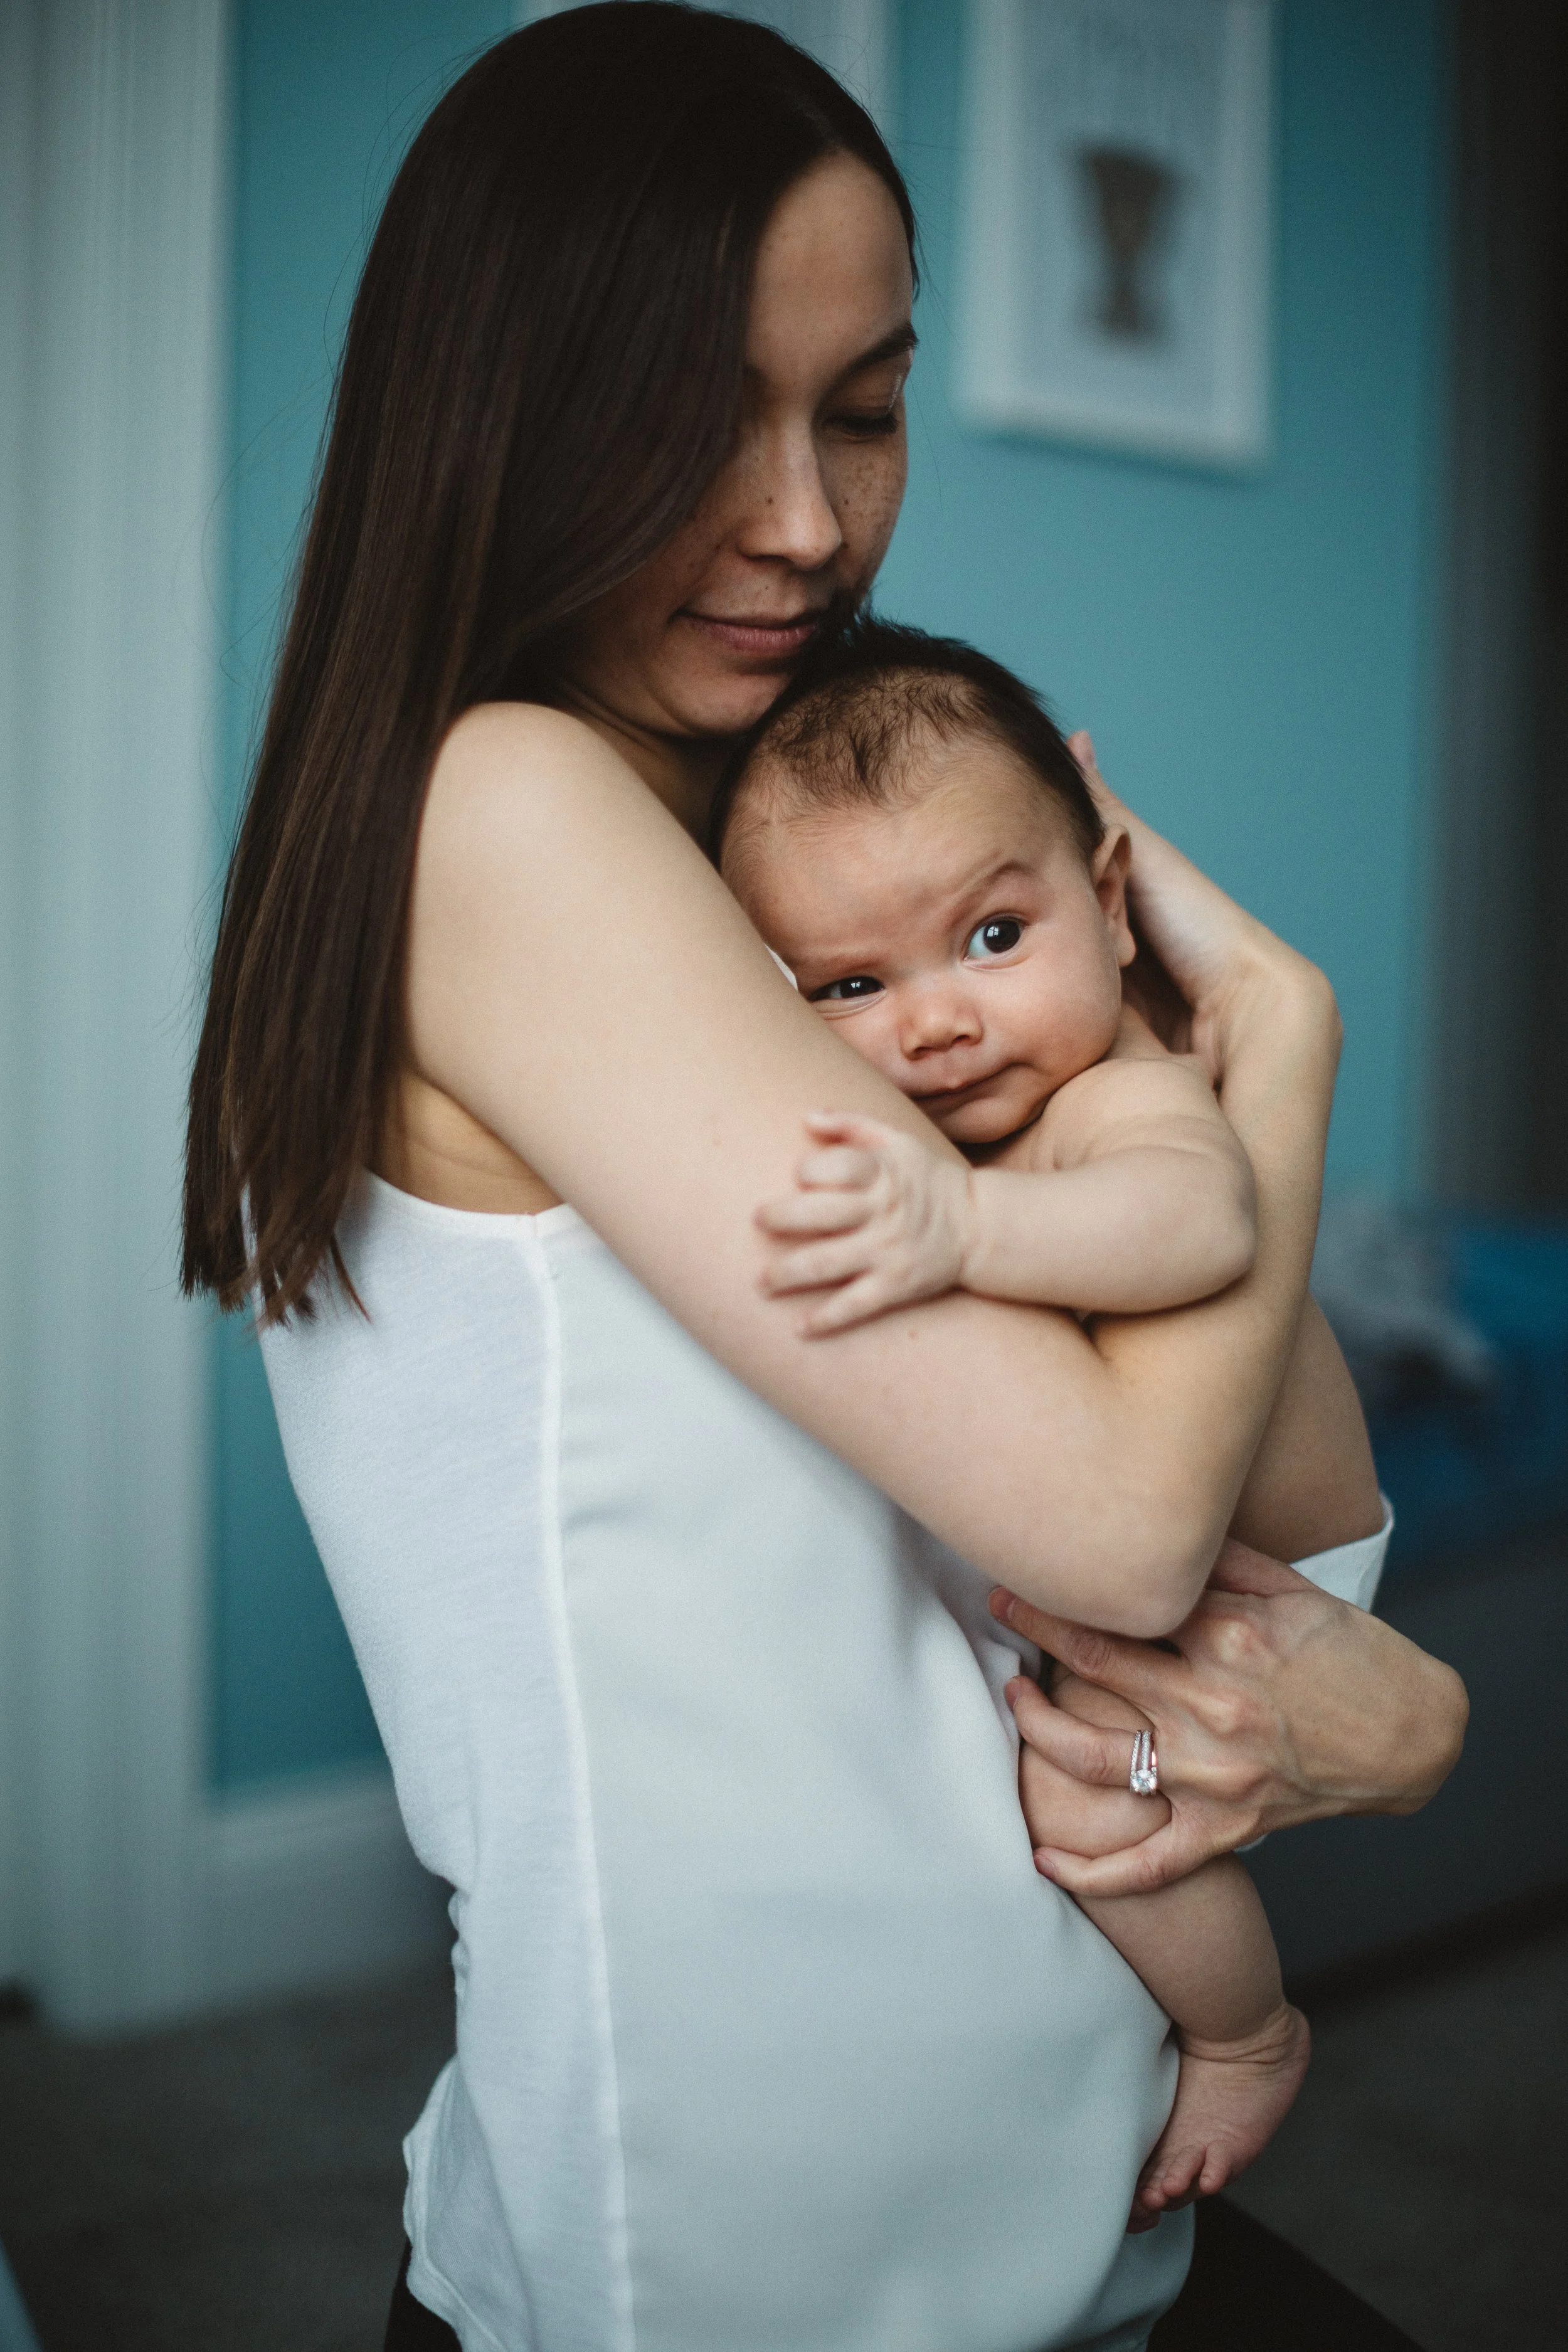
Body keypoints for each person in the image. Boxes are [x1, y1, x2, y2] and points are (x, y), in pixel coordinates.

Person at [181, 12, 1465, 2349]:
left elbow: (1295, 1502)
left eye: (862, 409)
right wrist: (1271, 1065)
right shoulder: (510, 812)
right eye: (700, 418)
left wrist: (1392, 1696)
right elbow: (1114, 1526)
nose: (803, 518)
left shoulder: (805, 831)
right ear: (515, 410)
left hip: (1059, 2163)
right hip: (748, 2251)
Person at [714, 615, 1309, 2226]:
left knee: (1073, 1800)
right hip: (1104, 1563)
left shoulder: (1124, 1095)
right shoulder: (955, 1119)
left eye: (989, 936)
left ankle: (1248, 2032)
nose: (933, 1022)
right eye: (851, 983)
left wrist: (967, 1232)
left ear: (1109, 903)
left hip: (1225, 1596)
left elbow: (1196, 1230)